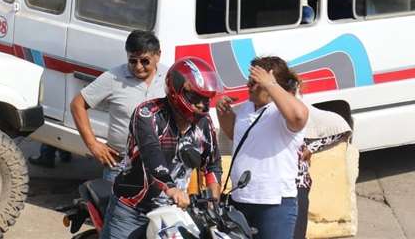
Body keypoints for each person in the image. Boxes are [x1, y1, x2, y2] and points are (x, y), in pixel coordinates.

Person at [101, 57, 223, 239]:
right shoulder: (147, 114)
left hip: (173, 210)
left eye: (205, 100)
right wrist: (171, 188)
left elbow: (212, 164)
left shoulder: (204, 123)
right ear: (176, 92)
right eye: (195, 98)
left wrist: (214, 197)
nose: (201, 105)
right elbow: (151, 154)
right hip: (132, 209)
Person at [215, 56, 309, 239]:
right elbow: (237, 137)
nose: (249, 86)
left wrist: (271, 85)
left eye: (256, 82)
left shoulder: (283, 110)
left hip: (274, 204)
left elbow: (299, 117)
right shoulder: (246, 108)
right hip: (240, 199)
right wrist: (224, 115)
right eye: (249, 82)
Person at [70, 30, 169, 181]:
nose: (138, 67)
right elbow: (77, 104)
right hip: (120, 166)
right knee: (115, 205)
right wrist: (92, 144)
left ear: (158, 55)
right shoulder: (113, 78)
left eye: (144, 61)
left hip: (161, 166)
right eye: (132, 61)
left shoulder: (170, 77)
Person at [294, 106, 351, 239]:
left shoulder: (300, 108)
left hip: (296, 187)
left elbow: (340, 128)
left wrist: (311, 148)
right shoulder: (262, 112)